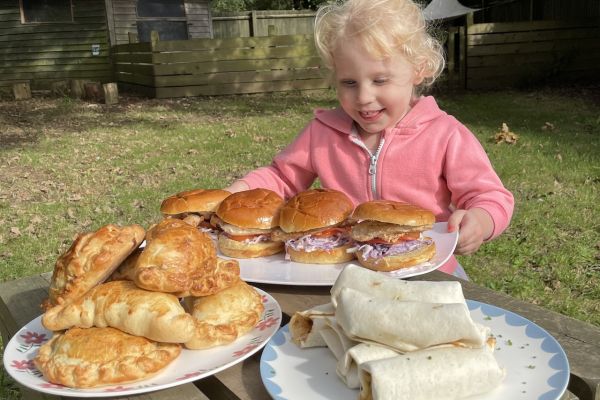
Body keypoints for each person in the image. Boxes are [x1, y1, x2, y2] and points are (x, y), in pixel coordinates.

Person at [225, 0, 514, 279]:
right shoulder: (322, 132)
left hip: (427, 269)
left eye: (379, 80)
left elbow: (489, 195)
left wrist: (481, 220)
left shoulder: (445, 134)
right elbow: (282, 177)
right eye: (349, 83)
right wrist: (240, 190)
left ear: (418, 69)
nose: (363, 98)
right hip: (345, 271)